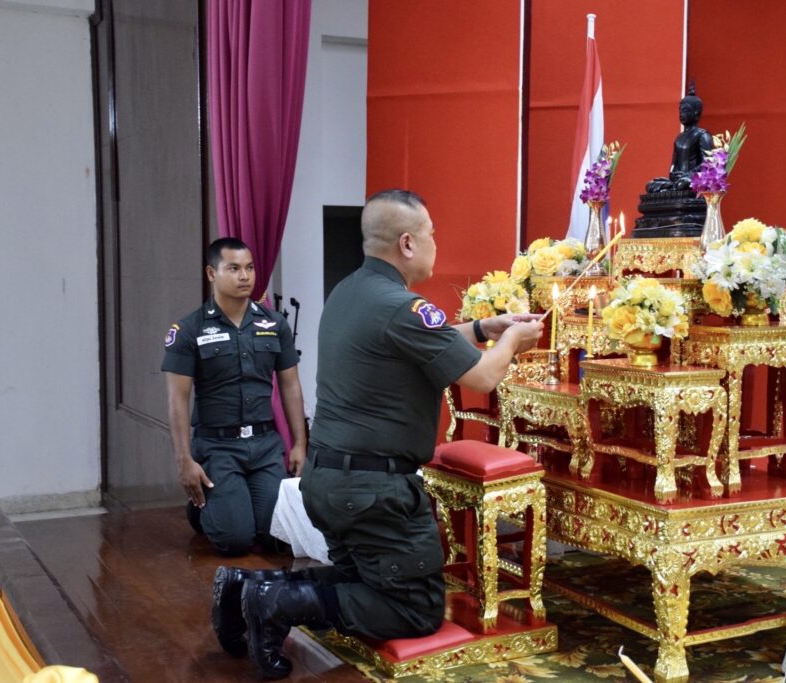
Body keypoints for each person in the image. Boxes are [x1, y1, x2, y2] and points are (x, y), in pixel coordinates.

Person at [215, 190, 544, 678]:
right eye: (431, 233)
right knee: (416, 609)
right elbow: (482, 377)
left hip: (330, 481)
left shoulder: (352, 291)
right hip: (373, 492)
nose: (436, 243)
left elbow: (421, 340)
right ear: (407, 243)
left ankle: (246, 586)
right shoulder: (402, 306)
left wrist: (482, 328)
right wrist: (513, 339)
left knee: (364, 581)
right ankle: (277, 600)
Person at [162, 237, 308, 558]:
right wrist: (184, 460)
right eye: (234, 268)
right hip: (218, 447)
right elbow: (177, 400)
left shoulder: (274, 324)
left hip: (265, 446)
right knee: (235, 541)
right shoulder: (188, 330)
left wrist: (299, 443)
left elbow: (290, 385)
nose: (245, 276)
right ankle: (201, 509)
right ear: (211, 274)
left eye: (250, 268)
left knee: (278, 537)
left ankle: (227, 504)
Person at [646, 85, 714, 193]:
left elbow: (708, 164)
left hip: (692, 180)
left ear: (696, 112)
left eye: (685, 111)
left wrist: (689, 175)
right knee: (651, 185)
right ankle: (672, 189)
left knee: (683, 184)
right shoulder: (679, 138)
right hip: (678, 180)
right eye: (680, 111)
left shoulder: (702, 135)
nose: (682, 114)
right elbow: (674, 164)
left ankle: (673, 189)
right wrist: (673, 174)